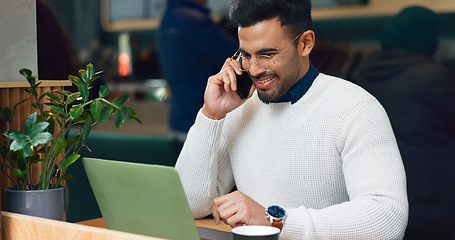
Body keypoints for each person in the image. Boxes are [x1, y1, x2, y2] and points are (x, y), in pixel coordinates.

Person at [175, 0, 408, 239]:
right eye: (246, 56)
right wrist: (210, 115)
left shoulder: (356, 108)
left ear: (306, 43)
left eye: (267, 55)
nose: (254, 70)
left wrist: (273, 220)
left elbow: (387, 219)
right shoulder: (239, 114)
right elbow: (188, 206)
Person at [351, 6, 455, 239]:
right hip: (434, 206)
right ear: (429, 40)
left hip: (387, 205)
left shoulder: (362, 75)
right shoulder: (434, 78)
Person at [157, 0, 238, 158]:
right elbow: (239, 58)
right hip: (201, 125)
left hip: (179, 122)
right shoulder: (194, 21)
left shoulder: (168, 18)